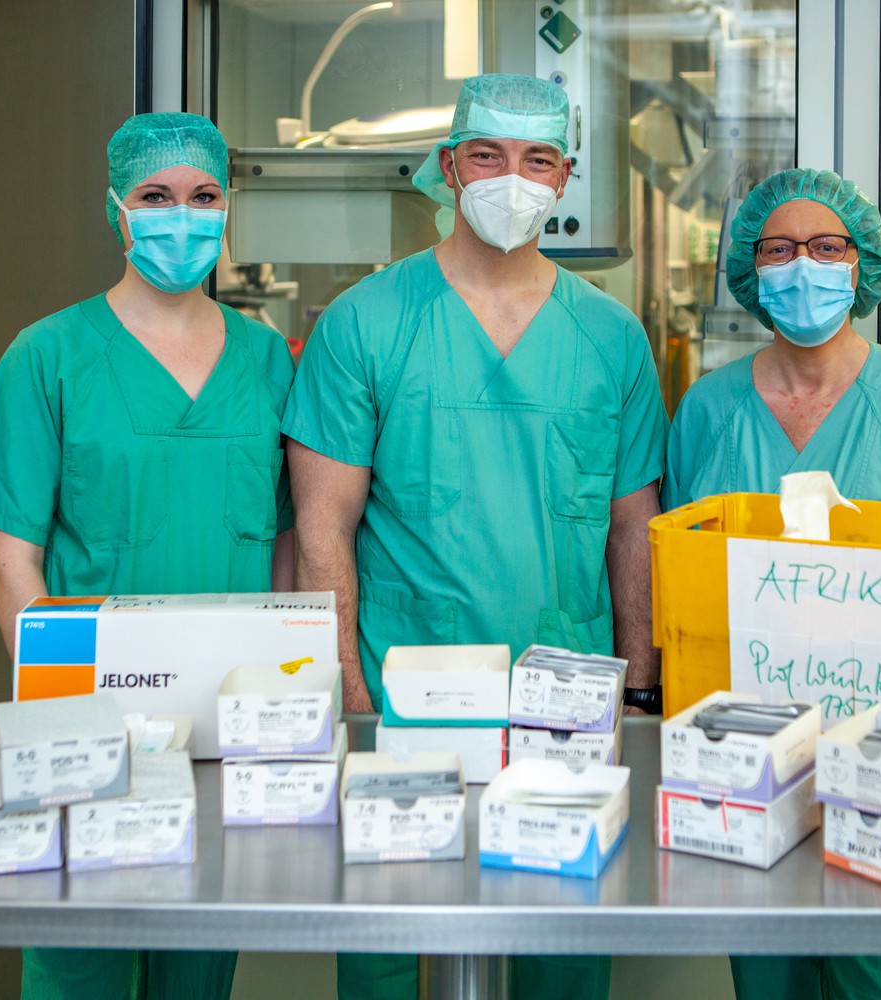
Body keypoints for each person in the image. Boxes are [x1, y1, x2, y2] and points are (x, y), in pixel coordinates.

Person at [283, 73, 668, 1000]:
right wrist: (348, 695)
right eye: (488, 156)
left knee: (561, 943)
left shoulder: (612, 339)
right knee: (382, 935)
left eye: (537, 159)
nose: (512, 178)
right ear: (449, 166)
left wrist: (641, 687)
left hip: (565, 694)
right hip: (399, 692)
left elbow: (633, 530)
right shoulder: (367, 322)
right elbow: (321, 529)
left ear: (565, 177)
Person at [0, 112, 295, 1000]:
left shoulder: (267, 360)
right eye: (156, 197)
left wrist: (286, 703)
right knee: (80, 959)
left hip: (226, 732)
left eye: (203, 197)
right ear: (118, 210)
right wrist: (63, 717)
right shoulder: (49, 357)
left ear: (228, 208)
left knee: (199, 960)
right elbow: (10, 557)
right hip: (91, 733)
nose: (182, 216)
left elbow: (291, 544)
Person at [664, 167, 881, 1000]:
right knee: (770, 980)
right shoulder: (708, 410)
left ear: (862, 264)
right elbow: (682, 588)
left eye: (826, 247)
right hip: (751, 772)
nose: (802, 266)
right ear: (751, 271)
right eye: (779, 250)